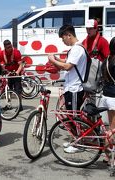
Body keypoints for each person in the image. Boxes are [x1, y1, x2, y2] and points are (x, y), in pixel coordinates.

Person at [48, 24, 87, 153]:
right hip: (72, 88)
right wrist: (58, 59)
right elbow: (66, 64)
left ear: (68, 35)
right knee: (72, 115)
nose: (63, 41)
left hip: (75, 88)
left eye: (62, 38)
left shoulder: (77, 49)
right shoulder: (76, 49)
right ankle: (75, 139)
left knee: (74, 116)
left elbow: (67, 67)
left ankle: (78, 144)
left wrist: (53, 61)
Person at [100, 37, 115, 165]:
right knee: (112, 129)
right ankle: (109, 157)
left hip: (106, 96)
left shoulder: (106, 61)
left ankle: (108, 156)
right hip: (114, 98)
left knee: (109, 127)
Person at [0, 39, 24, 111]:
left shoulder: (16, 52)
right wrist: (2, 69)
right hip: (8, 73)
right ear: (5, 47)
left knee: (18, 90)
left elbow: (21, 64)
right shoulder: (1, 54)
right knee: (8, 90)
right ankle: (8, 104)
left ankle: (20, 105)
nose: (10, 49)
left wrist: (18, 72)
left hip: (16, 74)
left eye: (10, 47)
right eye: (8, 48)